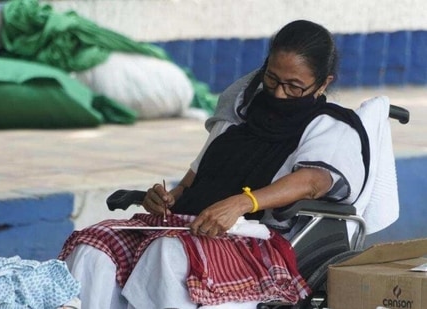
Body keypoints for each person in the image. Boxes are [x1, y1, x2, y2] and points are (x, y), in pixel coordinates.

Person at [58, 20, 367, 309]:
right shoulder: (242, 112)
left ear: (323, 83)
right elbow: (195, 177)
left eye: (294, 86)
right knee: (93, 247)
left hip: (254, 240)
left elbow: (313, 181)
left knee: (170, 254)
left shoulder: (330, 126)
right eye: (271, 78)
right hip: (187, 225)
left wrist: (244, 202)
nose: (278, 92)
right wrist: (168, 198)